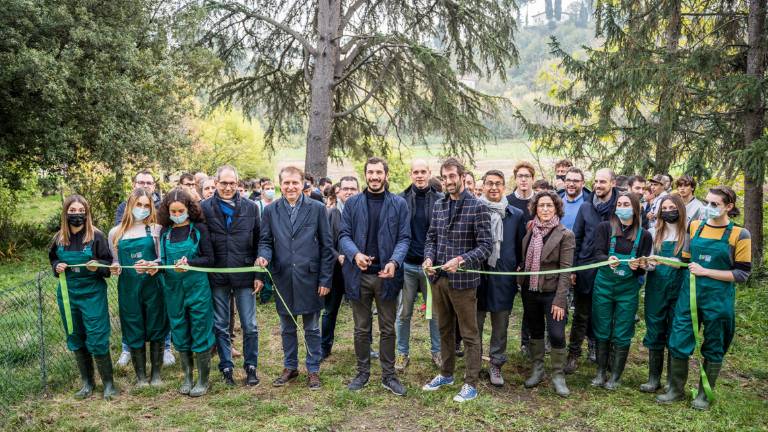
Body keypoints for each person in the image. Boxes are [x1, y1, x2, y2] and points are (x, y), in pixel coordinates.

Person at [660, 186, 751, 409]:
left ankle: (703, 394)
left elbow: (742, 274)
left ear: (729, 207)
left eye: (714, 204)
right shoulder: (695, 227)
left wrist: (706, 271)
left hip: (718, 299)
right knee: (678, 340)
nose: (708, 208)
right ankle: (675, 389)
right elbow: (686, 260)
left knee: (713, 344)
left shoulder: (740, 234)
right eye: (707, 203)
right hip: (689, 295)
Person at [257, 166, 335, 390]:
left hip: (310, 278)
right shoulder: (271, 211)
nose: (290, 187)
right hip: (283, 277)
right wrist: (263, 256)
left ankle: (313, 369)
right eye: (286, 183)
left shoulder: (318, 209)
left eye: (295, 183)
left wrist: (325, 280)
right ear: (280, 184)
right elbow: (265, 241)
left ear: (303, 184)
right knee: (287, 327)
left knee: (311, 328)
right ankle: (290, 366)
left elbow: (327, 247)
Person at [422, 157, 492, 403]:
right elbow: (431, 237)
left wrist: (462, 259)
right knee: (444, 329)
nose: (449, 181)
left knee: (469, 333)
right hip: (439, 280)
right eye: (445, 177)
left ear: (463, 177)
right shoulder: (439, 205)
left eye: (453, 176)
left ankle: (470, 383)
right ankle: (446, 373)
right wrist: (428, 259)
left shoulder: (478, 206)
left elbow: (486, 246)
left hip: (464, 282)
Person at [339, 157, 410, 396]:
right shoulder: (352, 204)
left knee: (388, 328)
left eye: (379, 172)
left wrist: (394, 261)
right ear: (365, 175)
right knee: (361, 328)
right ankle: (362, 372)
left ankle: (389, 375)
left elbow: (404, 238)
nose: (374, 177)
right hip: (358, 276)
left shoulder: (399, 204)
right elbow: (343, 235)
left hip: (387, 276)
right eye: (370, 172)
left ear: (386, 175)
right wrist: (354, 254)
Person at [201, 165, 264, 386]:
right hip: (217, 273)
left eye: (232, 183)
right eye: (223, 183)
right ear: (216, 183)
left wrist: (259, 274)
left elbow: (259, 241)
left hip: (244, 273)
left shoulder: (250, 208)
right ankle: (226, 366)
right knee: (220, 323)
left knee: (250, 324)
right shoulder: (204, 208)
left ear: (238, 184)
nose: (228, 187)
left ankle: (251, 366)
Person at [49, 195, 117, 400]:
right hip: (68, 295)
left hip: (92, 294)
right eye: (72, 211)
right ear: (65, 213)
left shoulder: (96, 236)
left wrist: (98, 265)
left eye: (81, 211)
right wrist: (56, 266)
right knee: (75, 335)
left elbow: (107, 264)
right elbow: (53, 258)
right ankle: (87, 383)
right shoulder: (59, 238)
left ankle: (109, 384)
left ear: (86, 213)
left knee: (97, 336)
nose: (77, 214)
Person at [157, 188, 216, 397]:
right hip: (173, 290)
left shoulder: (199, 228)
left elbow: (210, 258)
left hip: (197, 288)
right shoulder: (165, 232)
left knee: (200, 328)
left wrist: (190, 263)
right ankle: (188, 376)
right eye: (172, 212)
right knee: (180, 330)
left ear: (189, 209)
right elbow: (163, 261)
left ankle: (203, 379)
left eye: (180, 210)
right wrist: (153, 265)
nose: (176, 215)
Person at [590, 192, 652, 390]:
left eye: (626, 204)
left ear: (635, 208)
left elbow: (645, 266)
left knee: (623, 330)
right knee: (602, 325)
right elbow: (597, 254)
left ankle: (615, 376)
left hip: (628, 288)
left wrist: (638, 267)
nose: (622, 206)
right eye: (619, 203)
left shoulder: (645, 235)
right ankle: (600, 372)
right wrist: (606, 260)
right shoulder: (605, 228)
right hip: (604, 285)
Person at [114, 171, 174, 369]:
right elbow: (114, 259)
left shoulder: (157, 230)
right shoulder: (115, 233)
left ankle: (163, 353)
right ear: (130, 205)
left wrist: (154, 265)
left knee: (157, 320)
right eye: (138, 205)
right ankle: (131, 356)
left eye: (146, 206)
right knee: (132, 321)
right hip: (129, 287)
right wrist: (114, 267)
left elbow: (162, 258)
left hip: (153, 284)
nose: (141, 209)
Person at [519, 191, 575, 397]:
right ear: (535, 208)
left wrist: (560, 300)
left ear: (556, 208)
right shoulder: (530, 229)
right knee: (535, 330)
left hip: (553, 293)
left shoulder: (565, 234)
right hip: (530, 290)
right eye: (541, 205)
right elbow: (525, 257)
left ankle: (558, 375)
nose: (544, 209)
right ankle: (538, 369)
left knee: (556, 333)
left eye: (549, 206)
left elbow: (565, 270)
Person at [564, 168, 620, 374]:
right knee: (581, 315)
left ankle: (605, 356)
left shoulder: (621, 206)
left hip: (610, 268)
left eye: (603, 182)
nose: (598, 185)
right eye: (596, 181)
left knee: (607, 315)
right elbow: (576, 239)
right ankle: (573, 355)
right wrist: (573, 269)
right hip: (586, 269)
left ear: (613, 183)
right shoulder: (586, 207)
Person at [476, 170, 525, 386]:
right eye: (489, 184)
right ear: (483, 186)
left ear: (504, 187)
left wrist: (517, 273)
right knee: (474, 324)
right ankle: (474, 362)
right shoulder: (474, 210)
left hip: (503, 277)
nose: (493, 188)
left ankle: (496, 363)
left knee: (500, 325)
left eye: (498, 184)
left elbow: (520, 247)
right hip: (476, 277)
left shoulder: (515, 215)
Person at [395, 160, 443, 371]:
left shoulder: (441, 200)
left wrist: (437, 260)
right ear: (411, 174)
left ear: (429, 173)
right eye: (416, 172)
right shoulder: (400, 200)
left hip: (432, 267)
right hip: (407, 266)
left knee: (434, 313)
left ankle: (437, 351)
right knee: (404, 313)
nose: (420, 175)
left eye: (423, 172)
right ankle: (402, 353)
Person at [640, 194, 688, 394]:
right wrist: (648, 264)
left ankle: (672, 380)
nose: (668, 211)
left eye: (672, 207)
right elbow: (648, 264)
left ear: (680, 209)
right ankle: (653, 378)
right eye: (664, 208)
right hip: (656, 288)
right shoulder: (653, 233)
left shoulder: (688, 234)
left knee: (675, 331)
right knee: (655, 328)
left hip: (679, 288)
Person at [321, 176, 360, 359]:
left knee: (361, 313)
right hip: (336, 271)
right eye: (346, 189)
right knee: (330, 311)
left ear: (358, 191)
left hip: (358, 270)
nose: (349, 192)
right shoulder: (331, 213)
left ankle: (364, 346)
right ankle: (324, 347)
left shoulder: (362, 212)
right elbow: (325, 243)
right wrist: (339, 256)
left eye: (353, 188)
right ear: (339, 191)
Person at [506, 161, 536, 355]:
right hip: (512, 259)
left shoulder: (539, 201)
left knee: (530, 302)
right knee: (506, 303)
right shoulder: (507, 201)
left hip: (533, 258)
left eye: (527, 176)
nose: (523, 180)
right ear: (515, 179)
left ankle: (527, 341)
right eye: (520, 176)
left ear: (532, 179)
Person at [559, 167, 590, 231]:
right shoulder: (556, 199)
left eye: (576, 181)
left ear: (583, 183)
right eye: (568, 180)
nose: (571, 184)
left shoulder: (590, 202)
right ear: (564, 181)